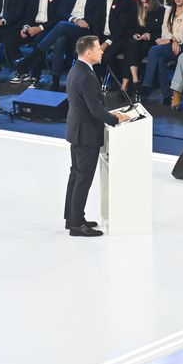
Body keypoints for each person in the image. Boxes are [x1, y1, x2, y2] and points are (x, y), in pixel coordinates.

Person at [64, 35, 130, 237]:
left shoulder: (77, 70)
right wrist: (116, 119)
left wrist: (109, 115)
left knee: (76, 175)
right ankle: (76, 225)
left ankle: (73, 218)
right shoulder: (86, 76)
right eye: (98, 48)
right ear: (89, 52)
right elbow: (95, 110)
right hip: (86, 135)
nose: (102, 51)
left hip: (76, 131)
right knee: (83, 178)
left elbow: (88, 106)